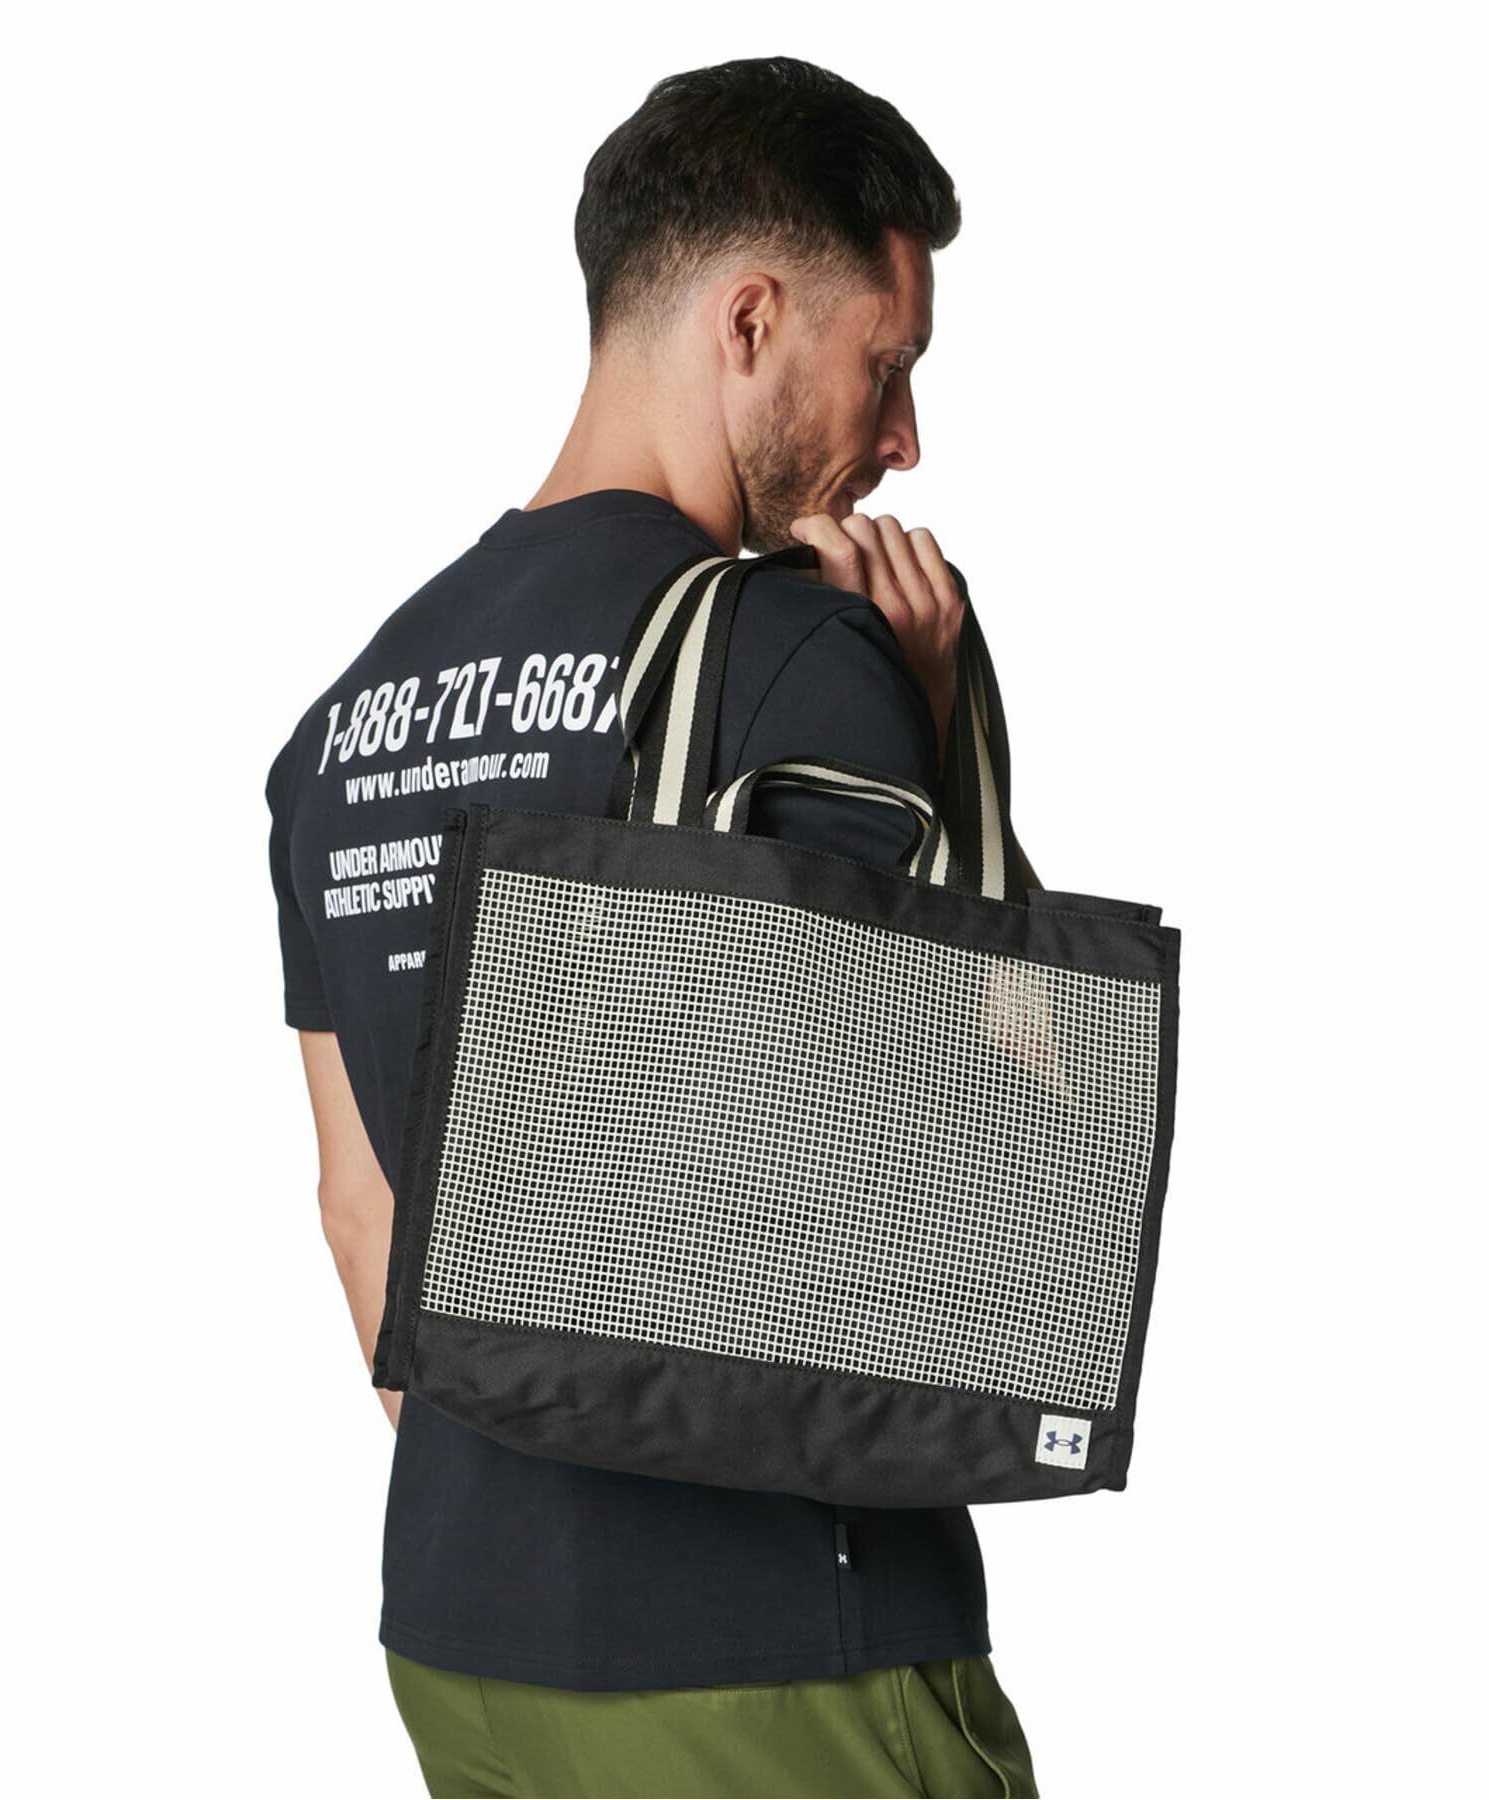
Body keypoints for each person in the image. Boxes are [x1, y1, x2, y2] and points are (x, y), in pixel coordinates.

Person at [264, 54, 1038, 1800]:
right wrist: (932, 724)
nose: (905, 439)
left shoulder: (347, 720)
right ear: (750, 318)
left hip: (463, 1636)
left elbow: (359, 1209)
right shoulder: (791, 655)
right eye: (888, 364)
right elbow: (964, 1183)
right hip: (768, 1646)